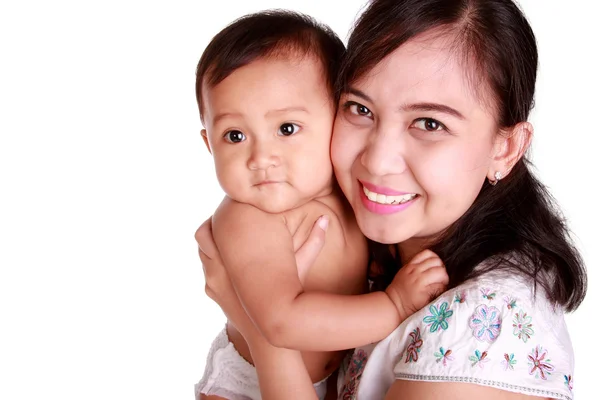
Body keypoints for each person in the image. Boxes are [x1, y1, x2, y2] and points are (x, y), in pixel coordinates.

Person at [197, 0, 588, 399]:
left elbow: (279, 324)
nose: (378, 162)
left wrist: (260, 332)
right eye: (360, 108)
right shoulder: (381, 249)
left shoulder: (484, 328)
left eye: (430, 123)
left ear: (505, 149)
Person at [194, 9, 449, 400]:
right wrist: (393, 305)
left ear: (337, 118)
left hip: (328, 380)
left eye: (286, 129)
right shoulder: (247, 217)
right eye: (234, 135)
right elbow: (281, 322)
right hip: (246, 384)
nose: (261, 157)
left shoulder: (352, 193)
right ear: (208, 142)